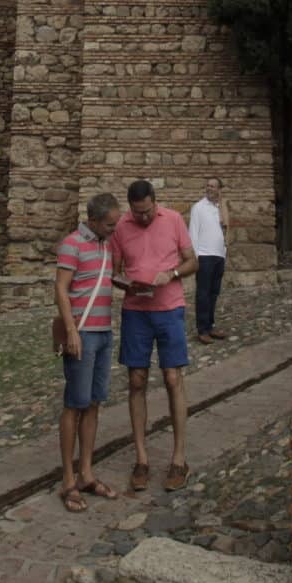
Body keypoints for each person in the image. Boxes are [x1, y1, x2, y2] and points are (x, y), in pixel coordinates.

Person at [111, 179, 198, 492]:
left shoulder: (173, 220)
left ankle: (178, 458)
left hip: (169, 308)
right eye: (137, 213)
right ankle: (142, 458)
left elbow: (193, 262)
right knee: (136, 380)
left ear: (155, 203)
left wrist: (171, 274)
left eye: (146, 212)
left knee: (173, 378)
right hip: (136, 312)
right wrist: (127, 284)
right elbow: (115, 271)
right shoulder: (121, 227)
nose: (142, 218)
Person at [53, 192, 124, 513]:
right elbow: (61, 290)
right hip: (81, 334)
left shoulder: (105, 244)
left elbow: (101, 279)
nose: (115, 228)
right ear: (93, 221)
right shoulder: (72, 244)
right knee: (74, 405)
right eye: (110, 223)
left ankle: (86, 473)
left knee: (94, 403)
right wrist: (71, 333)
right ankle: (68, 480)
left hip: (104, 333)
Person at [187, 176, 232, 344]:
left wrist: (224, 252)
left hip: (219, 256)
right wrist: (196, 258)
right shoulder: (198, 207)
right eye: (208, 186)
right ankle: (202, 329)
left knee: (214, 293)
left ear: (219, 189)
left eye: (213, 186)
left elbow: (226, 228)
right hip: (204, 257)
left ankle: (211, 325)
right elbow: (193, 233)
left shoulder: (220, 208)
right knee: (203, 294)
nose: (210, 188)